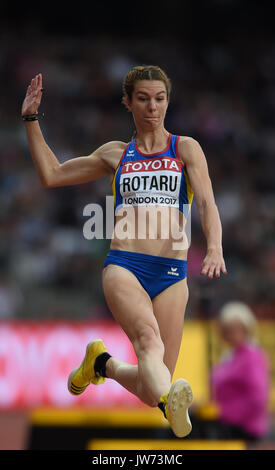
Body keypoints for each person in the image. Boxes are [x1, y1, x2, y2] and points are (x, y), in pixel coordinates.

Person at [21, 65, 227, 438]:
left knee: (151, 386)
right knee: (148, 342)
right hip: (125, 266)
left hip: (172, 274)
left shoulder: (185, 149)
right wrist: (31, 119)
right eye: (144, 99)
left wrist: (214, 247)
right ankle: (171, 407)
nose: (153, 108)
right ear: (128, 103)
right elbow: (51, 174)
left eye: (160, 99)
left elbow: (208, 204)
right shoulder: (117, 154)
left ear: (168, 102)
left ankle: (102, 364)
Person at [211, 301, 270, 441]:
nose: (229, 334)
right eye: (226, 330)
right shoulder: (230, 355)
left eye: (234, 329)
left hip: (242, 428)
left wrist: (225, 413)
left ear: (246, 329)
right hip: (228, 424)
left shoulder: (252, 356)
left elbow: (258, 397)